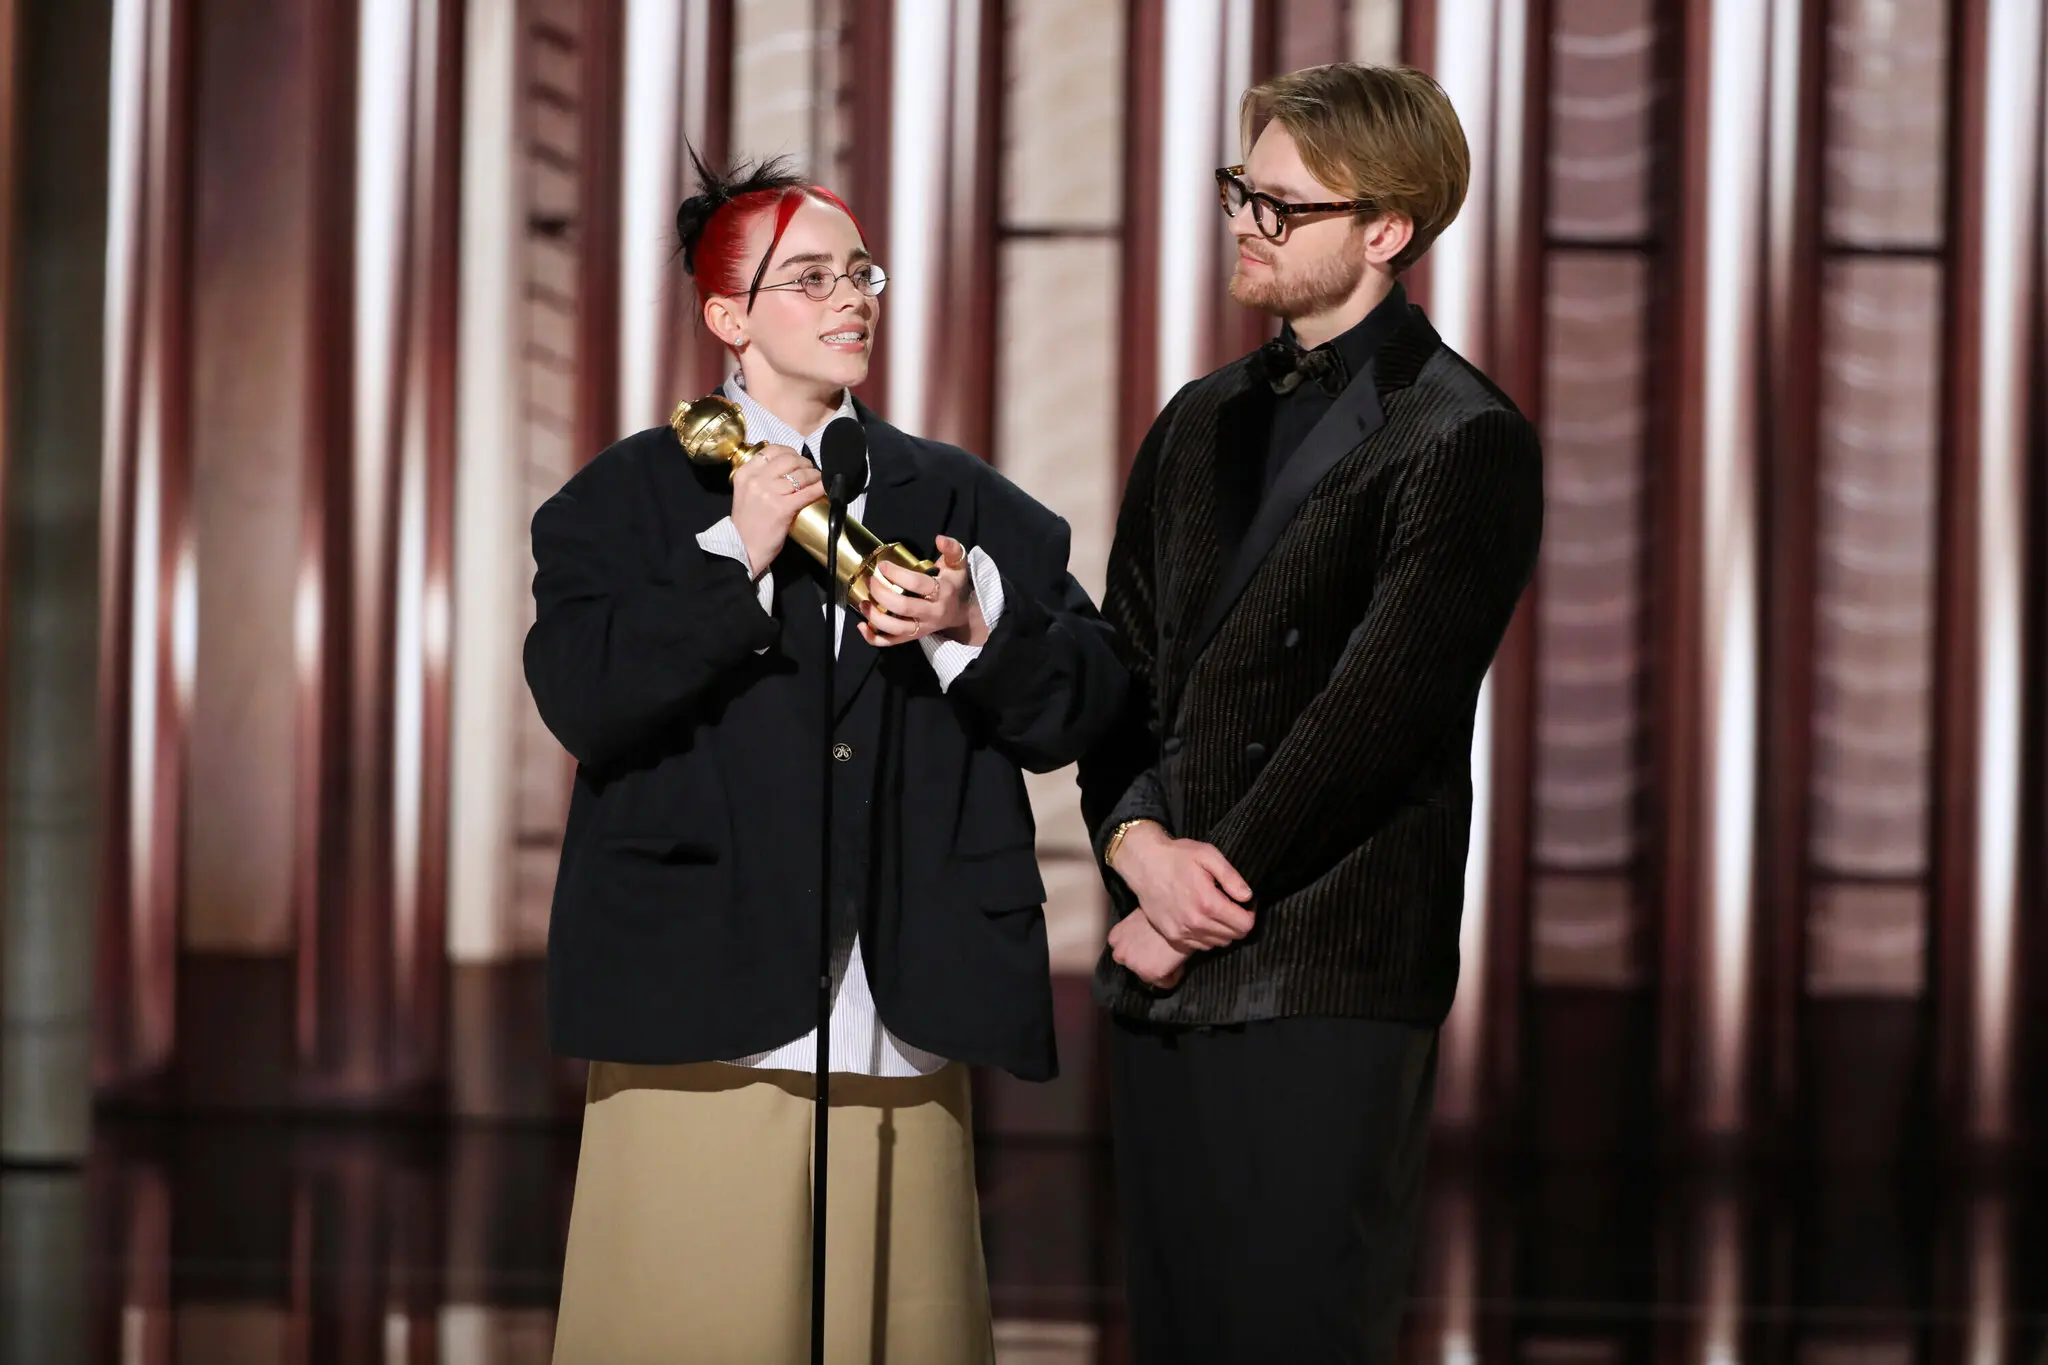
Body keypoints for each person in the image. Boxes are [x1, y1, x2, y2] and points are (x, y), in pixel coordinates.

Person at [528, 153, 1126, 1364]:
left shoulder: (955, 496)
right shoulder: (625, 499)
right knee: (687, 1321)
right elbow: (584, 697)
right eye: (808, 278)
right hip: (696, 975)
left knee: (890, 1322)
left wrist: (972, 627)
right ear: (728, 318)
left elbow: (1085, 703)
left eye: (859, 272)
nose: (850, 297)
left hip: (898, 982)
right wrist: (729, 558)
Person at [1078, 64, 1544, 1364]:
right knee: (1175, 1331)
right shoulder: (1198, 419)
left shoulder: (1462, 435)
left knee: (1298, 1330)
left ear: (1385, 230)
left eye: (1279, 204)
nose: (1245, 222)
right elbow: (1123, 670)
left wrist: (1195, 894)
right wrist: (1134, 849)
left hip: (1327, 953)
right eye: (1242, 192)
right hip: (1164, 942)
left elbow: (1375, 714)